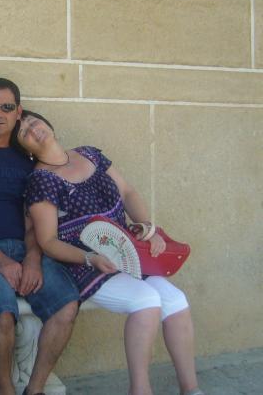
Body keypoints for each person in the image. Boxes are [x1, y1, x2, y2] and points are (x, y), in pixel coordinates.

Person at [12, 109, 204, 395]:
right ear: (26, 150)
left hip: (128, 253)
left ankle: (191, 390)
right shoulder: (41, 181)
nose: (31, 128)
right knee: (147, 300)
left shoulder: (89, 154)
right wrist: (90, 258)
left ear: (48, 124)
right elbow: (48, 241)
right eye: (23, 131)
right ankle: (140, 390)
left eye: (32, 120)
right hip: (86, 264)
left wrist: (147, 228)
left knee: (176, 300)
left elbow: (128, 192)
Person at [0, 78, 79, 395]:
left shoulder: (29, 157)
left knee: (66, 306)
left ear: (18, 111)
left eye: (7, 107)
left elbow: (35, 216)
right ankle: (5, 389)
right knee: (3, 315)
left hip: (28, 248)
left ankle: (34, 389)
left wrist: (33, 258)